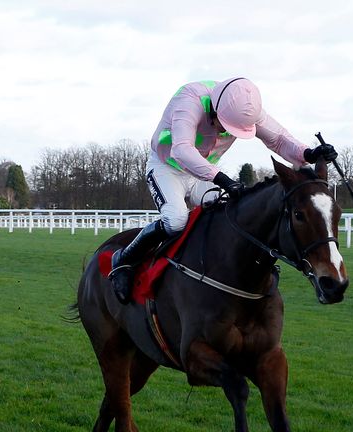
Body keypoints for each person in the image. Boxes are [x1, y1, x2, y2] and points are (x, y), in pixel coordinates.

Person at [109, 77, 338, 304]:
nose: (225, 133)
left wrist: (308, 153)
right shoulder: (189, 100)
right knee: (175, 220)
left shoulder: (246, 107)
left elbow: (278, 139)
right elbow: (181, 150)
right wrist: (222, 179)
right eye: (225, 125)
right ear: (215, 109)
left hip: (201, 172)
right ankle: (124, 259)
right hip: (167, 167)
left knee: (230, 216)